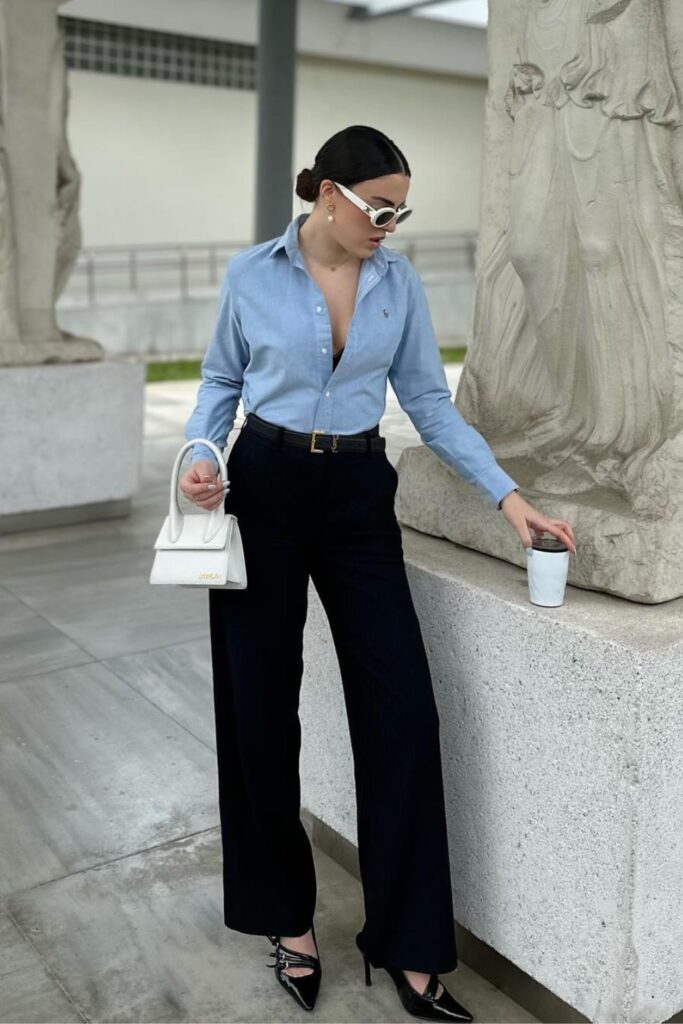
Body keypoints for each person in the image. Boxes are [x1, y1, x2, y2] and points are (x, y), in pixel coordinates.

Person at [180, 124, 576, 1020]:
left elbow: (429, 404)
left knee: (402, 710)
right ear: (327, 195)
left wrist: (510, 503)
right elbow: (218, 382)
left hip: (360, 494)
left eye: (401, 211)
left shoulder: (398, 284)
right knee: (258, 711)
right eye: (378, 208)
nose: (390, 226)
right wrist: (199, 455)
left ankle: (409, 944)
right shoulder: (252, 275)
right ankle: (287, 923)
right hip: (265, 487)